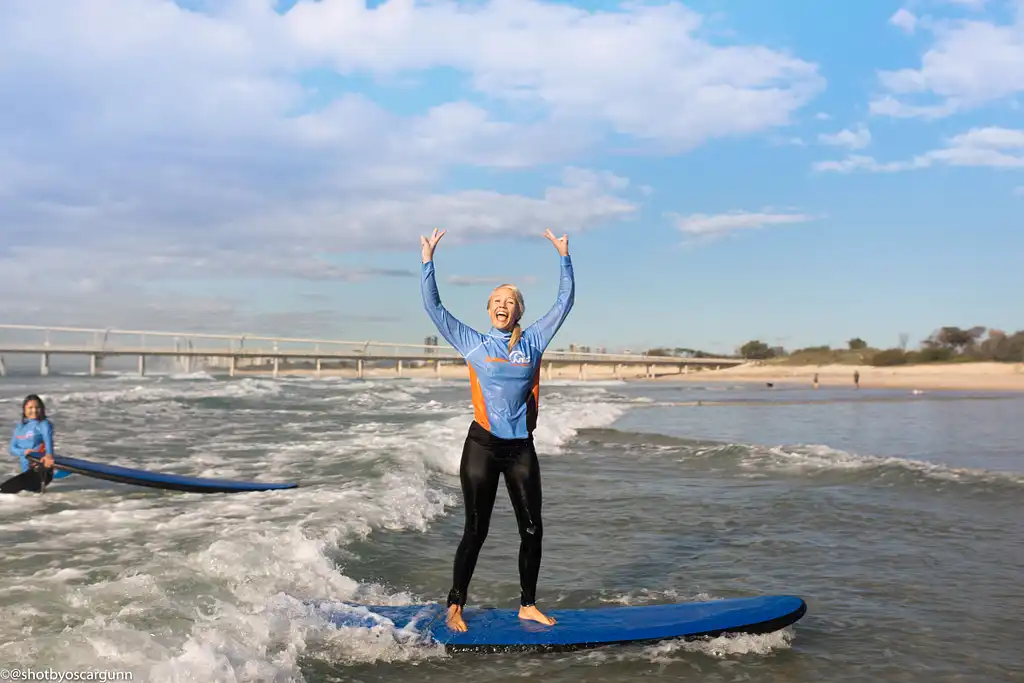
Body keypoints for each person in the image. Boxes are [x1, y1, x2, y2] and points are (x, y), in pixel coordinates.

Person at [420, 227, 574, 633]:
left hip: (521, 448)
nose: (503, 306)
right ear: (489, 309)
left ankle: (527, 604)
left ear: (519, 311)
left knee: (532, 528)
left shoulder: (535, 340)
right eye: (497, 301)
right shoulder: (472, 342)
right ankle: (455, 605)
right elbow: (435, 309)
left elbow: (565, 302)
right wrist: (427, 263)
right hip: (482, 447)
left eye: (510, 301)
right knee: (476, 528)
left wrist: (563, 257)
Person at [3, 394, 71, 494]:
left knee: (3, 490)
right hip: (27, 472)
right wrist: (24, 451)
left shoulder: (43, 424)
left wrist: (49, 456)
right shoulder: (20, 427)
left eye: (37, 407)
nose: (34, 410)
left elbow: (48, 441)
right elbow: (12, 449)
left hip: (41, 470)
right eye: (30, 407)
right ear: (24, 409)